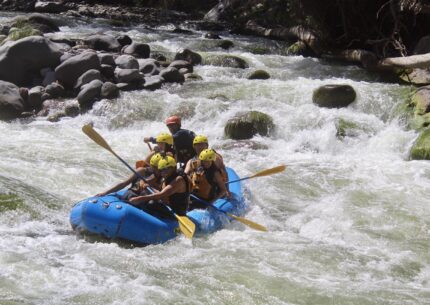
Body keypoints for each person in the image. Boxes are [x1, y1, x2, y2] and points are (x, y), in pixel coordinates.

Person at [96, 153, 163, 201]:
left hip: (145, 199)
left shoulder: (164, 176)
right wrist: (105, 192)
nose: (154, 169)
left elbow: (162, 193)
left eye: (156, 167)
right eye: (152, 166)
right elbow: (124, 183)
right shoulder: (142, 171)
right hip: (131, 195)